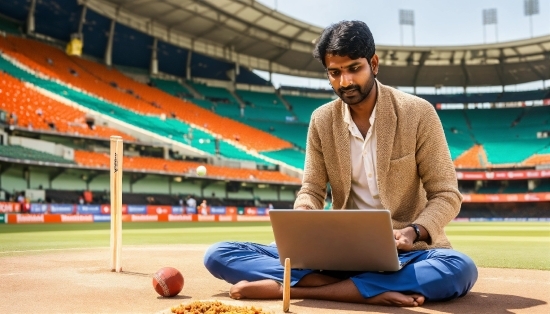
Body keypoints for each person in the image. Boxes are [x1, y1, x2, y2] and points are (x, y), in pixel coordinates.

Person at [203, 20, 478, 307]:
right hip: (336, 253)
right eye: (334, 73)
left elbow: (446, 194)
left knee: (459, 269)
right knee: (220, 254)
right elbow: (311, 189)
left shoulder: (418, 113)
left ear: (373, 63)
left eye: (354, 68)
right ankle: (363, 290)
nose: (344, 82)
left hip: (406, 252)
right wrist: (303, 218)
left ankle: (298, 288)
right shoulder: (321, 120)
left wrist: (414, 231)